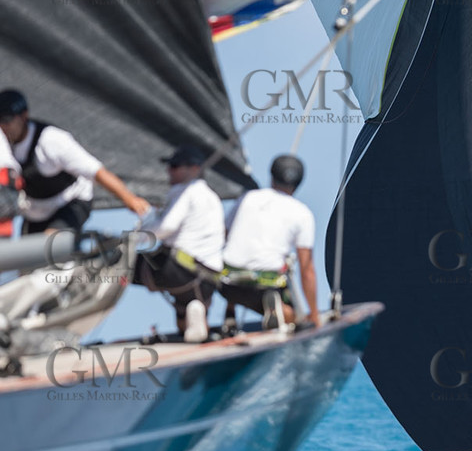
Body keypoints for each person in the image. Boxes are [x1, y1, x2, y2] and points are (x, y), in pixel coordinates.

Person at [0, 88, 149, 232]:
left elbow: (97, 172)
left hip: (71, 203)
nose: (4, 126)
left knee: (48, 245)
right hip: (36, 213)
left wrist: (129, 198)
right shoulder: (4, 144)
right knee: (24, 255)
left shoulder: (51, 140)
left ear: (24, 115)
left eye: (7, 120)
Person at [132, 145, 225, 342]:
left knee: (115, 267)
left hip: (179, 272)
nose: (169, 171)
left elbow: (166, 227)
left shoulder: (186, 191)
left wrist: (139, 230)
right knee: (186, 315)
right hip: (208, 280)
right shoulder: (213, 197)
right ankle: (194, 314)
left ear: (194, 169)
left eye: (175, 166)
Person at [219, 154, 319, 330]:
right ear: (298, 184)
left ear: (272, 176)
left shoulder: (247, 198)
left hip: (226, 284)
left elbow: (223, 237)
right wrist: (315, 317)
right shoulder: (303, 214)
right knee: (296, 317)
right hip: (264, 285)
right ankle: (280, 311)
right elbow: (307, 270)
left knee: (234, 257)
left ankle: (229, 314)